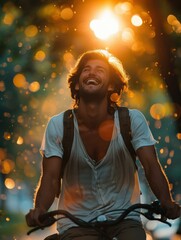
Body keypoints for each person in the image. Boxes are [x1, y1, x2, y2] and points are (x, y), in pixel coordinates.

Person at [26, 49, 180, 240]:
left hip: (125, 220)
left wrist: (166, 201)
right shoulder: (58, 125)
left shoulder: (132, 121)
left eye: (100, 70)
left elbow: (151, 166)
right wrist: (39, 209)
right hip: (76, 223)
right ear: (76, 85)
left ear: (111, 86)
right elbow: (50, 177)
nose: (91, 72)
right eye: (86, 69)